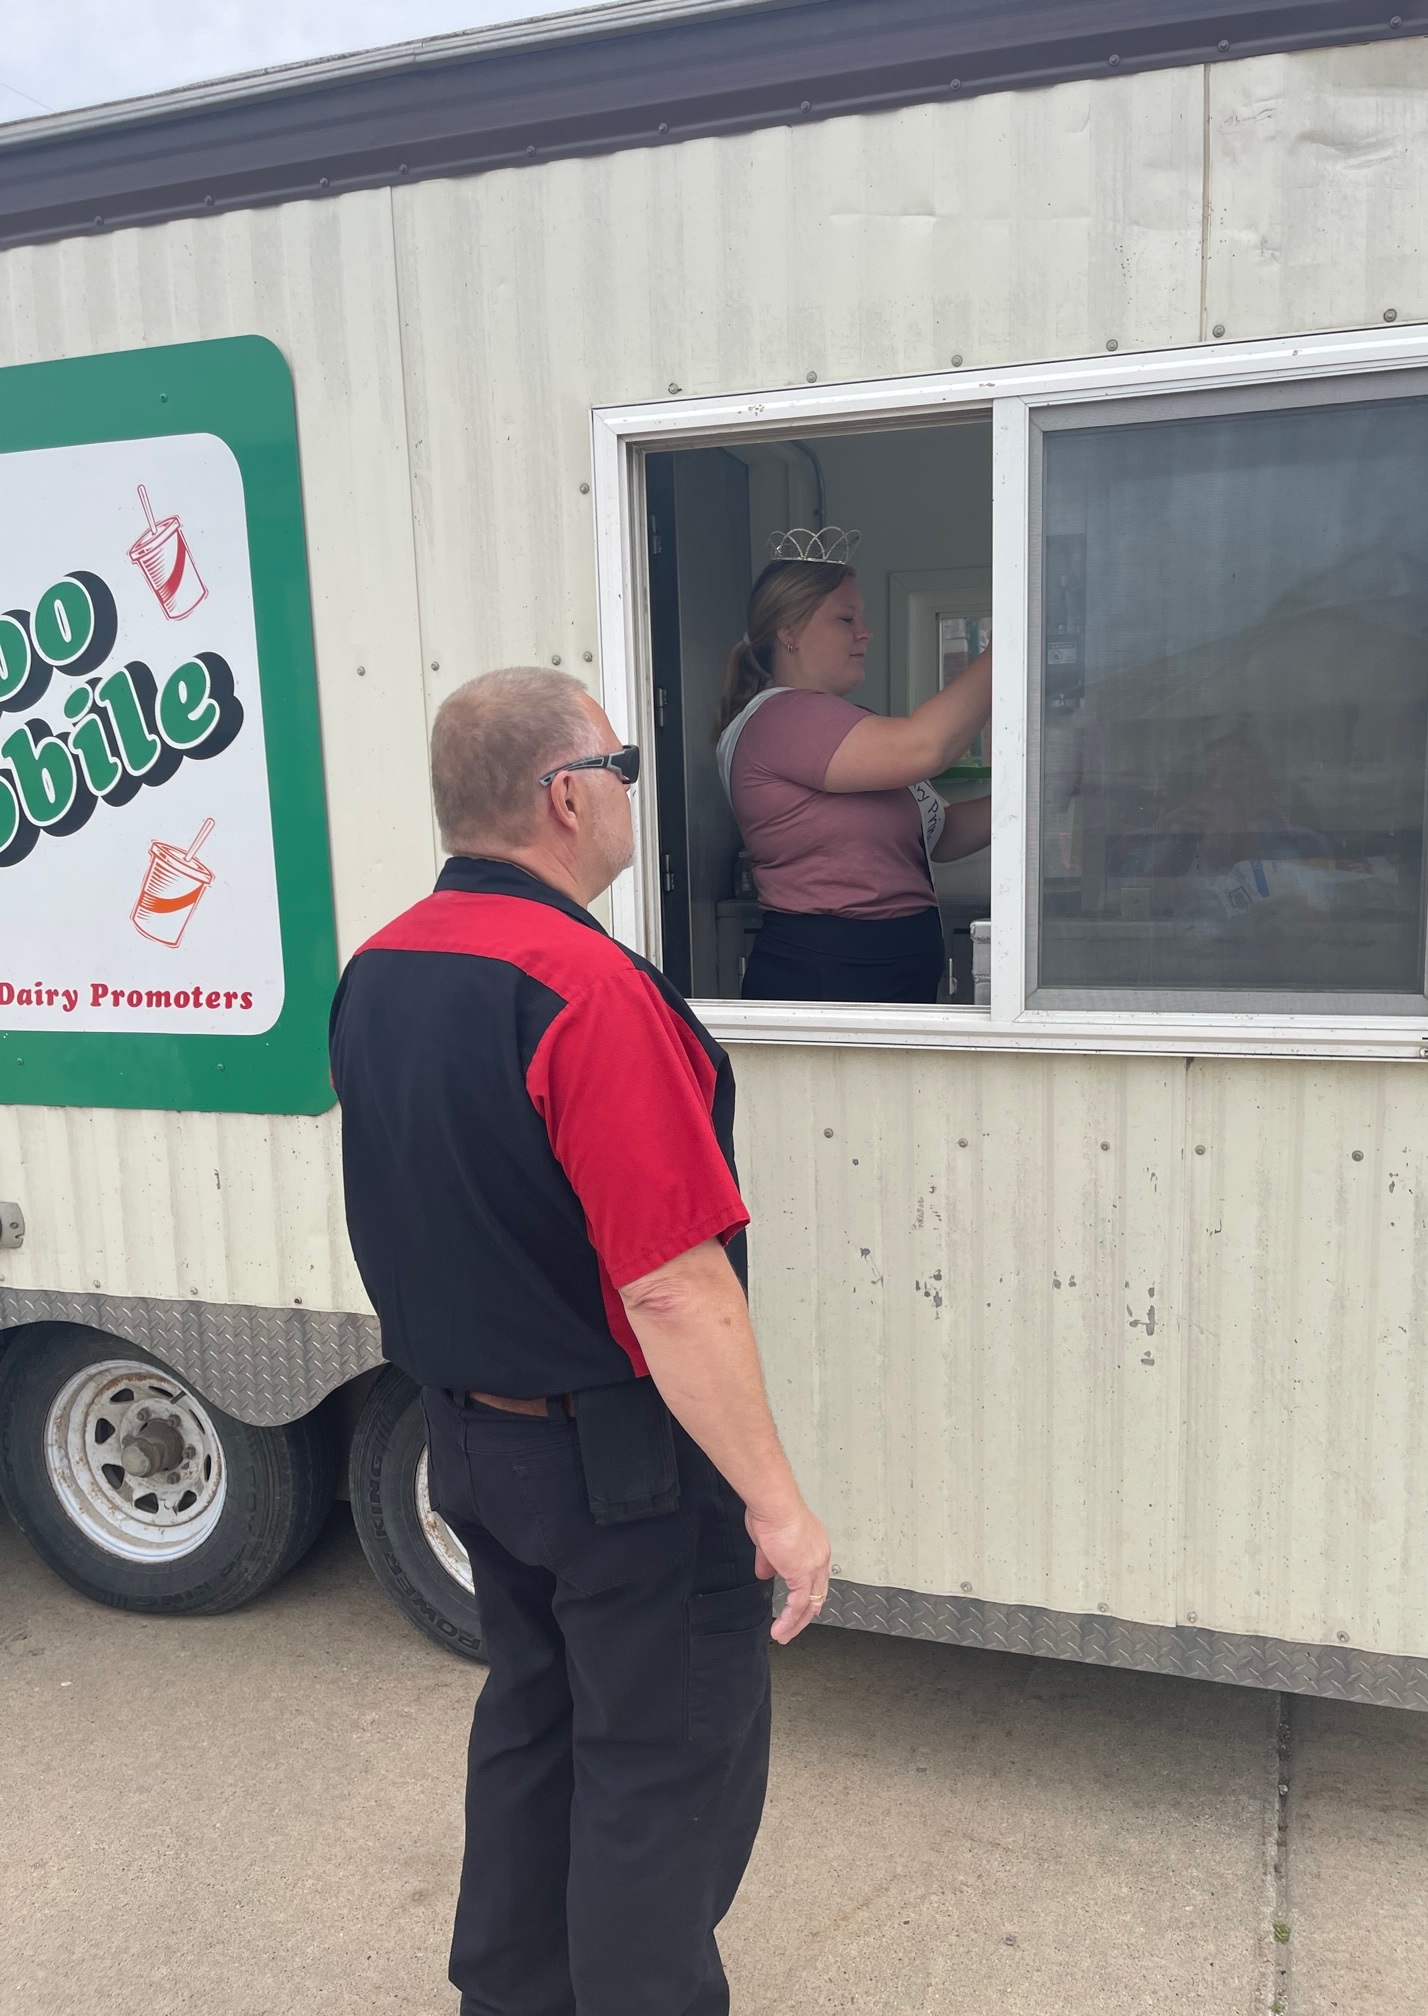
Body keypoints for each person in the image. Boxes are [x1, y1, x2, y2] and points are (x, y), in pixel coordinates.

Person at [329, 666, 830, 2016]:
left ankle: (508, 1997)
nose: (628, 794)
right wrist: (780, 1509)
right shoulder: (585, 991)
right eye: (621, 766)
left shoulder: (381, 967)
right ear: (566, 797)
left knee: (535, 1728)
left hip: (474, 1442)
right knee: (657, 1779)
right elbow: (674, 1289)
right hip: (624, 1475)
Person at [714, 532, 992, 1003]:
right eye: (846, 619)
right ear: (788, 631)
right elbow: (925, 747)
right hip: (831, 969)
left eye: (862, 619)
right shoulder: (783, 718)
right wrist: (1007, 648)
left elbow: (942, 835)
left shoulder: (843, 728)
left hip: (886, 964)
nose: (865, 632)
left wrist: (1033, 793)